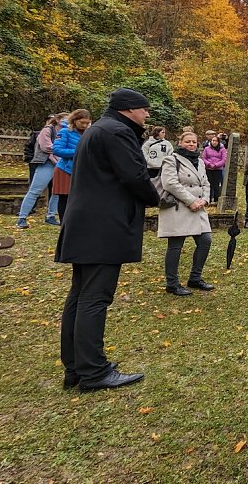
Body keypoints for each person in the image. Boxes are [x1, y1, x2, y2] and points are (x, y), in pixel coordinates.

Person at [57, 87, 159, 391]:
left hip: (86, 224)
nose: (146, 115)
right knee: (94, 298)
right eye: (144, 109)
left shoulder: (99, 129)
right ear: (129, 109)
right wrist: (155, 198)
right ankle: (94, 371)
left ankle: (75, 367)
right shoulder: (116, 132)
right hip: (102, 226)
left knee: (79, 296)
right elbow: (134, 176)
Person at [158, 132, 214, 296]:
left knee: (205, 240)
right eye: (188, 141)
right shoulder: (171, 159)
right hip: (179, 207)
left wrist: (204, 200)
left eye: (194, 142)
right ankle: (172, 283)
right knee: (175, 246)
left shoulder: (201, 162)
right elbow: (170, 183)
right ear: (180, 142)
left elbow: (206, 182)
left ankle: (195, 278)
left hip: (198, 208)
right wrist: (191, 201)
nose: (191, 144)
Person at [16, 113, 66, 228]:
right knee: (35, 190)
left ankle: (51, 216)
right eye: (65, 119)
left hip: (60, 164)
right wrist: (61, 151)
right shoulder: (47, 130)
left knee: (57, 191)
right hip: (46, 163)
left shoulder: (66, 132)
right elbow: (46, 147)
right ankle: (22, 218)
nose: (67, 122)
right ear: (58, 120)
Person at [52, 109, 92, 222]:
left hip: (83, 170)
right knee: (65, 198)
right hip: (65, 170)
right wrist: (78, 151)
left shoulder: (90, 133)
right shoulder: (65, 132)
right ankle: (64, 223)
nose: (84, 125)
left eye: (87, 123)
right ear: (74, 120)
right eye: (82, 122)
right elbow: (57, 150)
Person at [201, 133, 227, 205]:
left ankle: (216, 200)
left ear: (218, 142)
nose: (214, 142)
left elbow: (223, 159)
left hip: (217, 169)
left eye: (216, 141)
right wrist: (209, 164)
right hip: (208, 168)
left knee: (216, 185)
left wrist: (216, 165)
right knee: (208, 184)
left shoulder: (222, 149)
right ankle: (208, 199)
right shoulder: (207, 149)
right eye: (213, 140)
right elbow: (204, 158)